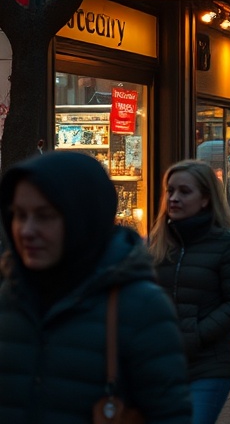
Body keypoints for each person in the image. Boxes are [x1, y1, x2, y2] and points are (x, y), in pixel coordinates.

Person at [0, 151, 191, 423]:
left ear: (83, 218)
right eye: (19, 215)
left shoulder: (140, 307)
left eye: (45, 216)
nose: (26, 230)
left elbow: (169, 413)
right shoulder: (9, 293)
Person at [150, 160, 230, 424]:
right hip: (159, 364)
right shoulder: (157, 243)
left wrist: (194, 335)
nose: (174, 198)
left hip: (208, 364)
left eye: (185, 192)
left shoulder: (227, 244)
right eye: (170, 191)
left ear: (205, 198)